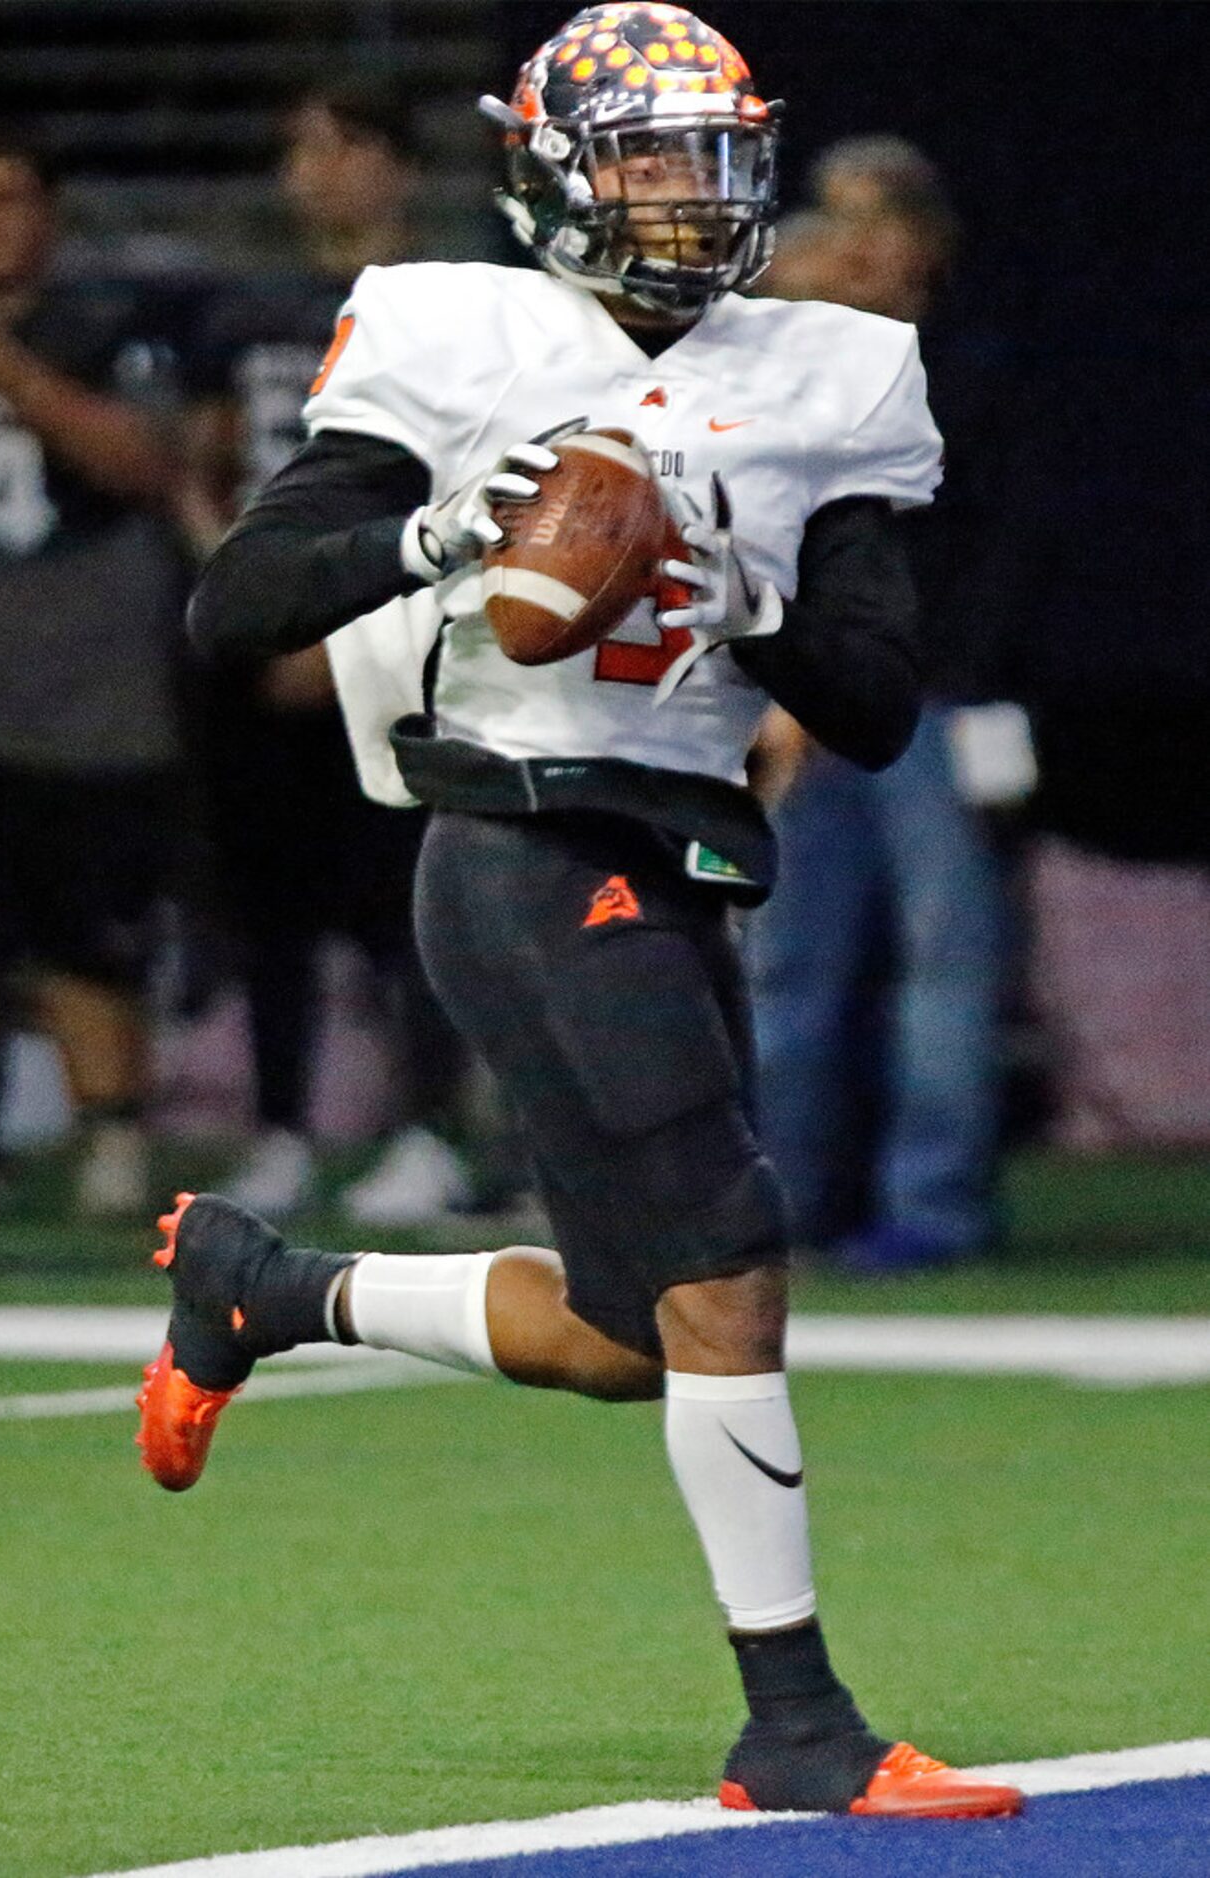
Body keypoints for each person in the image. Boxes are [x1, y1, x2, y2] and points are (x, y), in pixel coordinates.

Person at [139, 4, 1023, 1822]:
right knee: (730, 1260)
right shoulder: (456, 327)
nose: (687, 193)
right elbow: (234, 610)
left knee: (638, 1336)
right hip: (520, 835)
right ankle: (795, 1724)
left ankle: (265, 1285)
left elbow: (866, 699)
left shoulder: (834, 367)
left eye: (712, 154)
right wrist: (444, 537)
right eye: (644, 154)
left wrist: (737, 594)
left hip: (684, 842)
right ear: (548, 169)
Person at [180, 79, 471, 1220]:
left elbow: (472, 482)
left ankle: (428, 1131)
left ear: (396, 164)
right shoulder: (239, 310)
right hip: (264, 647)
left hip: (399, 627)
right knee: (268, 902)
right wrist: (258, 597)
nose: (317, 171)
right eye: (302, 148)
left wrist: (349, 618)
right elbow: (198, 473)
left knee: (413, 896)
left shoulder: (453, 306)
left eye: (343, 146)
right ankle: (284, 1127)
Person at [749, 139, 1027, 1273]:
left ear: (930, 240)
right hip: (804, 705)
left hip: (930, 705)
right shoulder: (778, 364)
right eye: (836, 217)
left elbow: (974, 546)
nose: (857, 242)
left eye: (883, 218)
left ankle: (936, 1205)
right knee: (790, 961)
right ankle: (784, 1201)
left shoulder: (966, 367)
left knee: (941, 965)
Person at [0, 128, 183, 1215]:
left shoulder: (107, 326)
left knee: (90, 942)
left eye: (5, 197)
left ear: (47, 213)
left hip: (89, 695)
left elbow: (148, 464)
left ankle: (111, 1145)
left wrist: (17, 381)